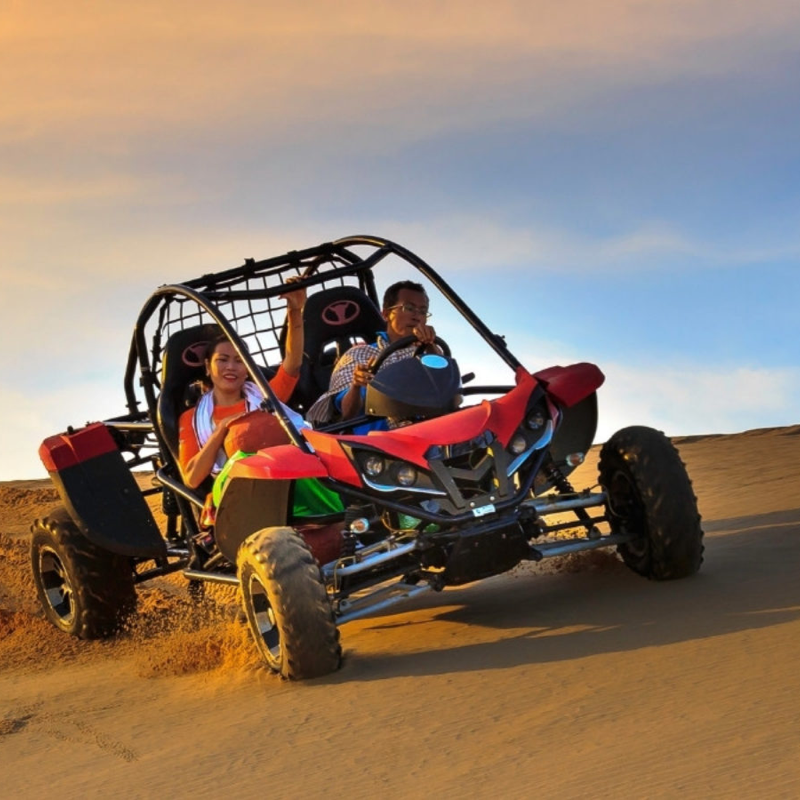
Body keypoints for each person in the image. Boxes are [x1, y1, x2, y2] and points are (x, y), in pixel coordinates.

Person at [178, 282, 305, 490]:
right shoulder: (192, 418)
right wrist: (221, 430)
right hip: (235, 491)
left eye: (239, 361)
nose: (231, 367)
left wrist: (295, 310)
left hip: (284, 480)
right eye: (223, 360)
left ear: (247, 369)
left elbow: (293, 362)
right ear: (208, 367)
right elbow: (191, 478)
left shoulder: (265, 399)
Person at [306, 280, 438, 427]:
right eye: (409, 308)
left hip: (429, 432)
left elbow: (447, 390)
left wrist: (430, 344)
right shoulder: (359, 355)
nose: (417, 316)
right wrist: (356, 386)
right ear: (386, 314)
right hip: (377, 442)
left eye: (423, 311)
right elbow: (348, 413)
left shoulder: (428, 354)